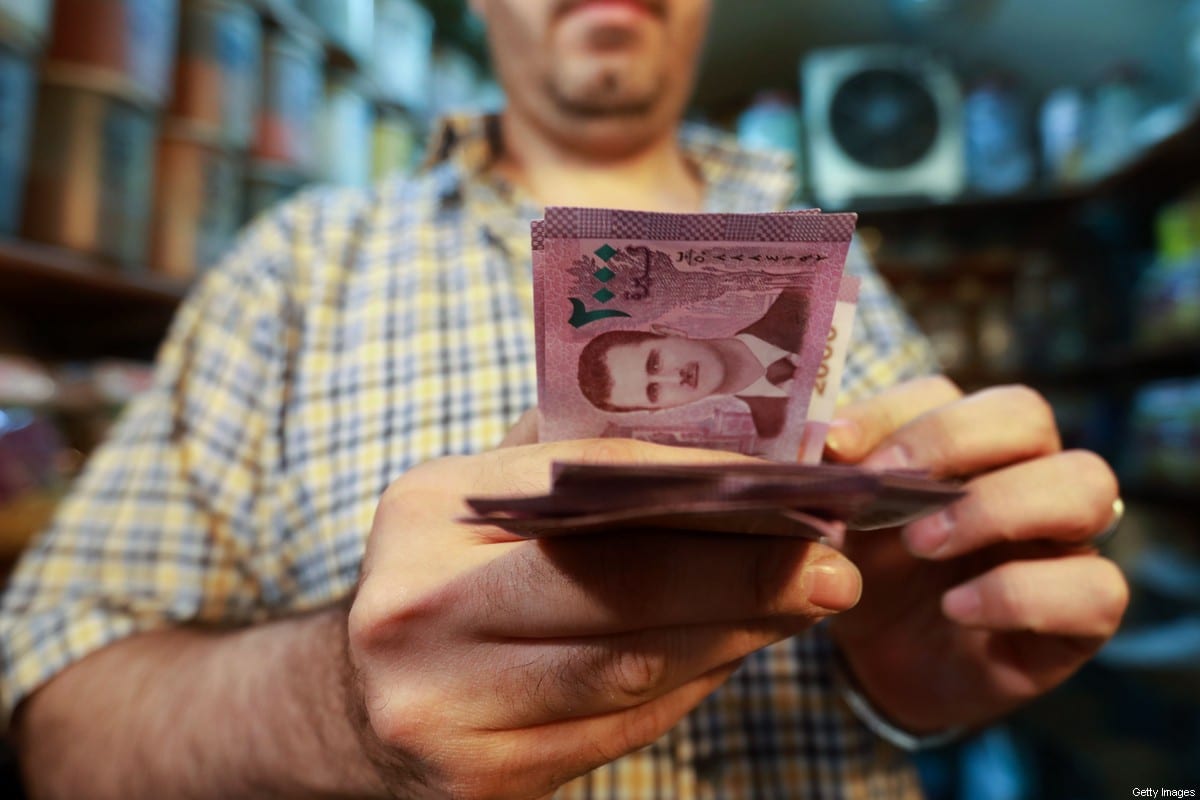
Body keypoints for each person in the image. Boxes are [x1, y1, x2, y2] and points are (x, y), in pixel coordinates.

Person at [0, 1, 1127, 798]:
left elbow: (906, 657)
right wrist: (338, 703)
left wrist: (908, 683)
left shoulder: (853, 273)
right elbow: (54, 723)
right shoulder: (293, 266)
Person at [577, 288, 810, 437]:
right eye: (654, 391)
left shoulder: (801, 299)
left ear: (668, 331)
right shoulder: (776, 433)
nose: (675, 377)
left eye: (655, 363)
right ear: (661, 410)